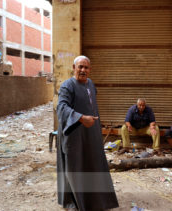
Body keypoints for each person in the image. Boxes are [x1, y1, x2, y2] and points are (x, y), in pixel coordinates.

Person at [56, 55, 119, 211]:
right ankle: (73, 203)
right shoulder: (67, 86)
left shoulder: (91, 84)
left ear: (90, 69)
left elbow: (92, 107)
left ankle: (94, 200)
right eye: (80, 67)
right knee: (75, 167)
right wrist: (80, 118)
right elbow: (61, 108)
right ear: (74, 67)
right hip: (74, 134)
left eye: (86, 67)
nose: (83, 70)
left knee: (93, 164)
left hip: (91, 133)